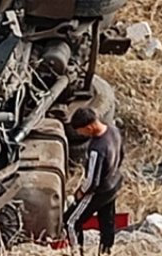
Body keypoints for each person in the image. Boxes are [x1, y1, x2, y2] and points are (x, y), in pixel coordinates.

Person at [64, 107, 124, 255]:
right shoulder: (114, 131)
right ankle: (105, 251)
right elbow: (121, 155)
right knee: (107, 221)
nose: (79, 134)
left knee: (70, 222)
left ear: (89, 127)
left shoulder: (97, 149)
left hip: (99, 190)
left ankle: (78, 253)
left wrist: (80, 192)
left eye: (80, 130)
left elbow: (92, 181)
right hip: (114, 183)